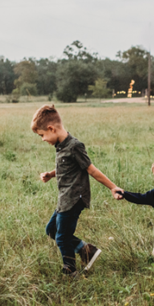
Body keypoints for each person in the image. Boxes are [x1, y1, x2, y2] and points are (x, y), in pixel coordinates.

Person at [31, 105, 122, 276]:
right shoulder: (61, 146)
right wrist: (51, 174)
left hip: (74, 198)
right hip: (64, 199)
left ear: (51, 128)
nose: (42, 139)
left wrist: (113, 187)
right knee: (51, 230)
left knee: (62, 237)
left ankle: (70, 270)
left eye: (42, 135)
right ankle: (86, 250)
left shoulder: (75, 146)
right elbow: (67, 166)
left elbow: (91, 170)